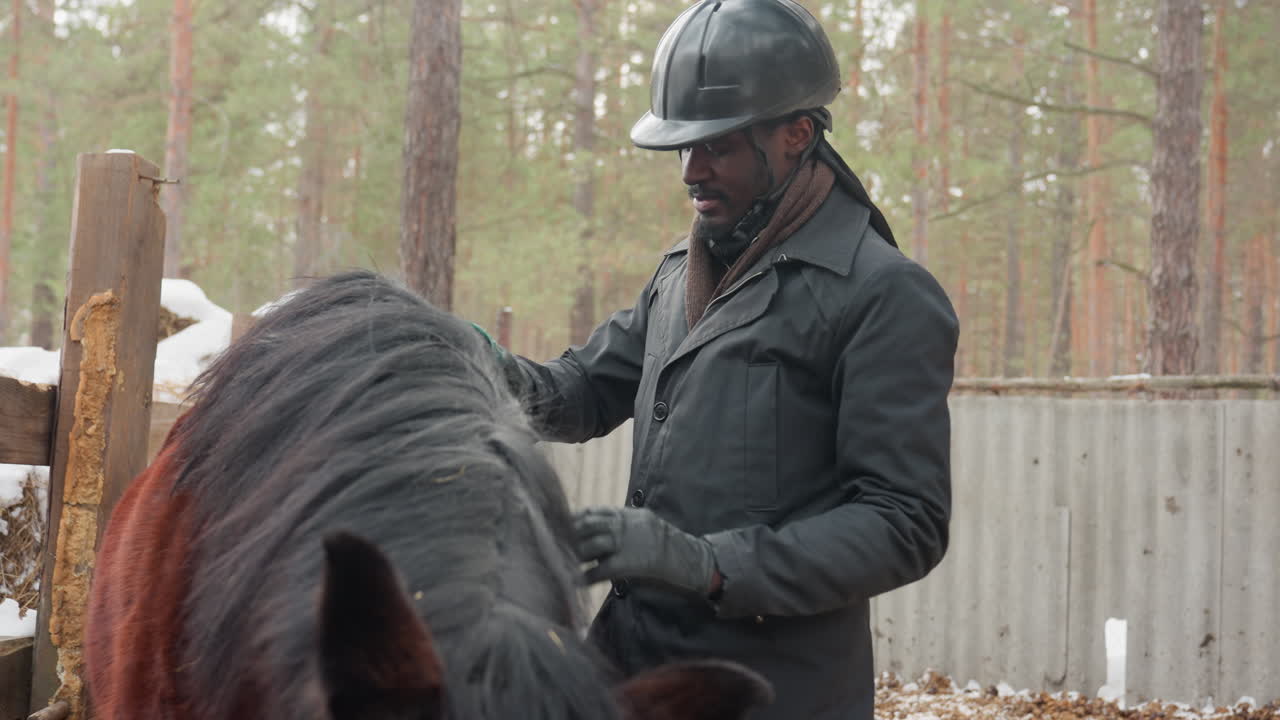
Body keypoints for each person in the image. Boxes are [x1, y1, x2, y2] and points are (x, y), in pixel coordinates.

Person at [490, 1, 958, 717]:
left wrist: (706, 565)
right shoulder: (680, 272)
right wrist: (476, 362)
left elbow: (904, 523)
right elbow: (581, 391)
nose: (691, 172)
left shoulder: (882, 295)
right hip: (627, 675)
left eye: (718, 147)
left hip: (769, 693)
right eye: (682, 149)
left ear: (798, 134)